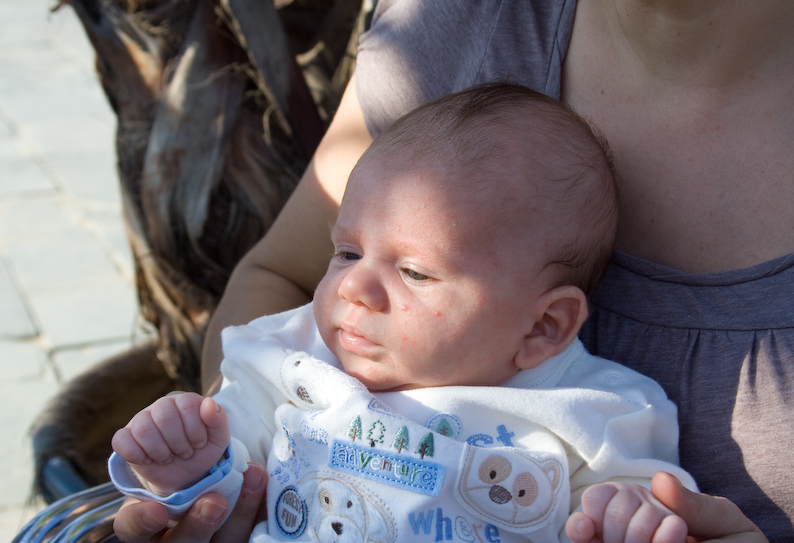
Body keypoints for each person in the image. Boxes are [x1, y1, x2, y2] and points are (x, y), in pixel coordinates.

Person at [113, 1, 789, 542]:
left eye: (416, 272)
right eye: (345, 253)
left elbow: (631, 503)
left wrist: (632, 519)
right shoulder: (297, 359)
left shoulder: (591, 411)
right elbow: (226, 451)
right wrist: (186, 465)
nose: (352, 286)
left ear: (545, 326)